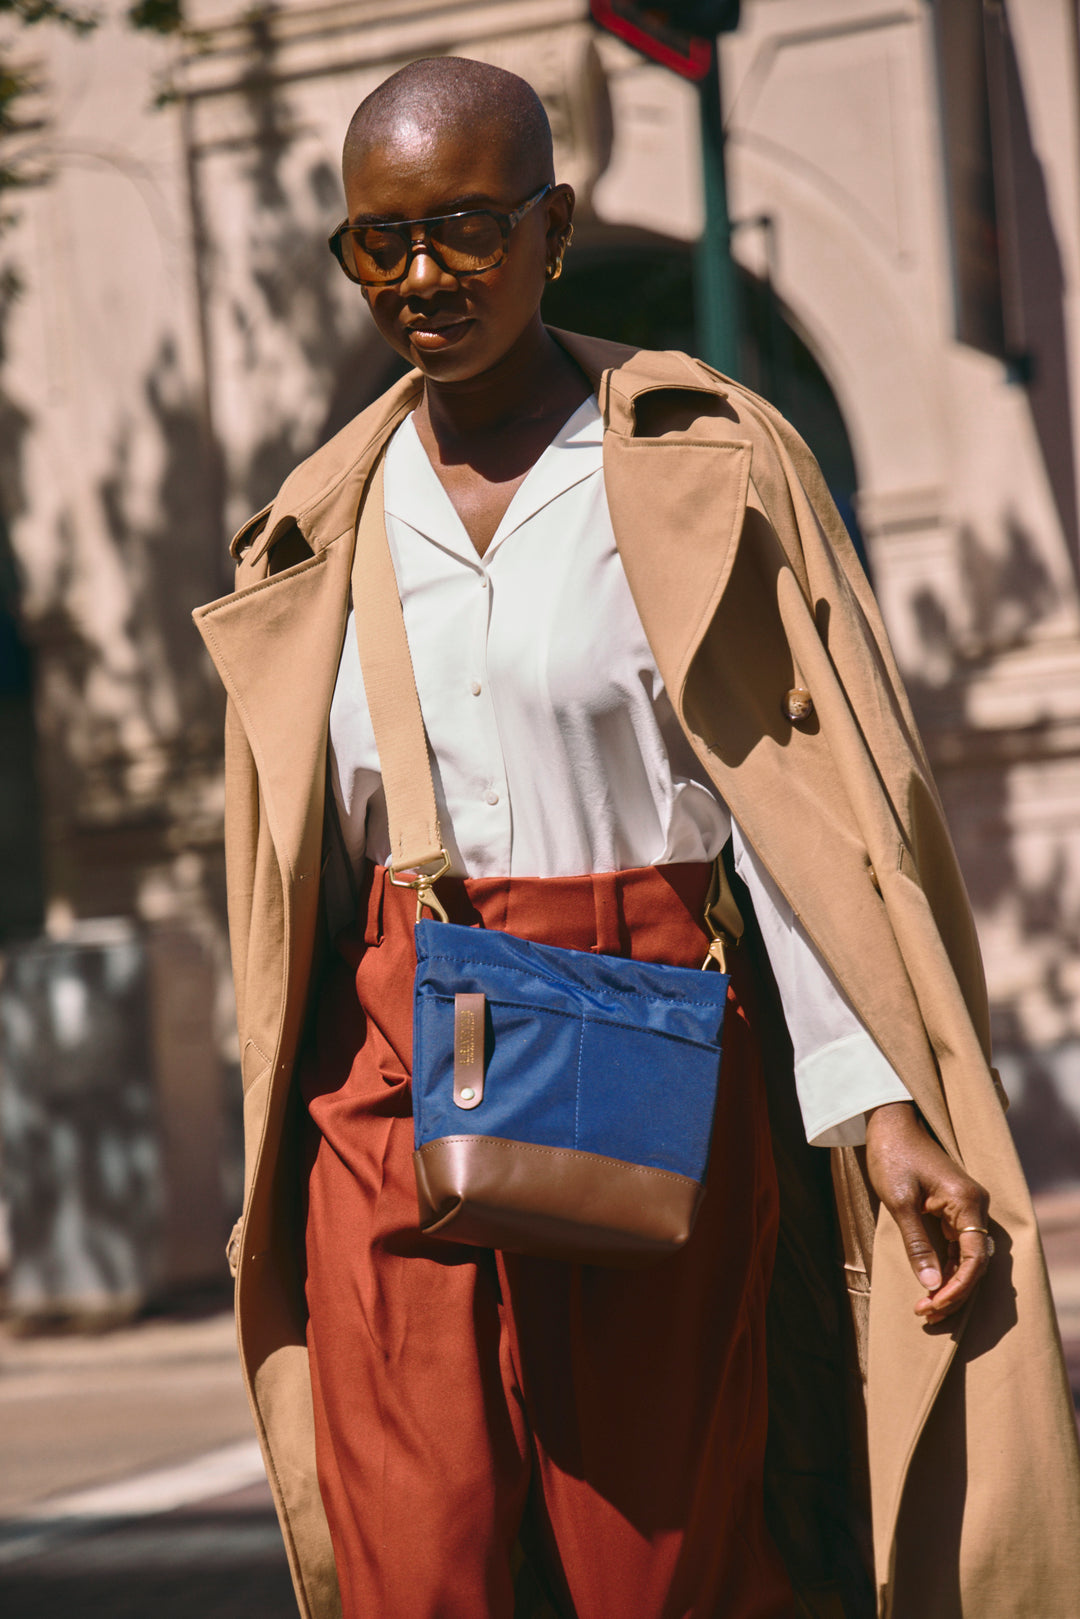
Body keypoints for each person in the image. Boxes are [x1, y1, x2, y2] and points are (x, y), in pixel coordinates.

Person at [194, 56, 1080, 1619]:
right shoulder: (318, 521)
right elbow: (300, 878)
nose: (420, 276)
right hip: (388, 1061)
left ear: (554, 227)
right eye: (379, 241)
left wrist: (878, 1099)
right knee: (410, 1562)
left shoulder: (691, 462)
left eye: (465, 228)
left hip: (641, 1030)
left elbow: (797, 819)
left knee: (653, 1566)